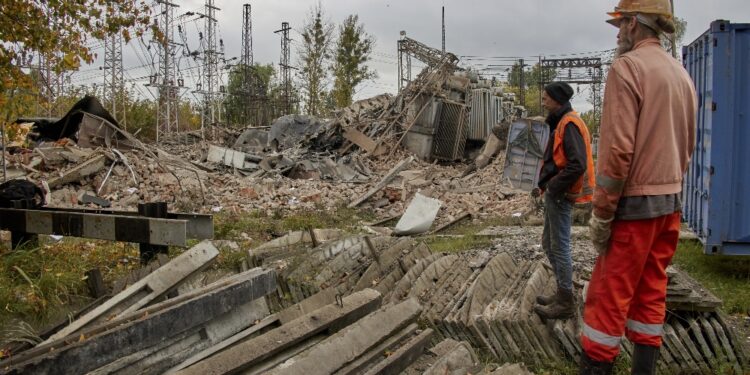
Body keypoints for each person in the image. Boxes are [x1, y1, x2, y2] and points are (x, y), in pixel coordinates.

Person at [580, 1, 697, 374]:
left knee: (607, 299)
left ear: (633, 24)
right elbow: (688, 144)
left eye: (620, 25)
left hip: (634, 208)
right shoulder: (680, 74)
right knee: (650, 294)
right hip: (670, 205)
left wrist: (602, 212)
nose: (617, 34)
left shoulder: (627, 68)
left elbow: (616, 152)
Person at [532, 82, 595, 320]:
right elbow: (556, 160)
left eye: (546, 97)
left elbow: (576, 164)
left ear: (557, 100)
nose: (543, 101)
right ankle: (562, 293)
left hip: (561, 195)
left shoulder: (569, 124)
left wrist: (554, 187)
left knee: (559, 247)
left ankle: (566, 301)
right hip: (555, 193)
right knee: (549, 244)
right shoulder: (561, 122)